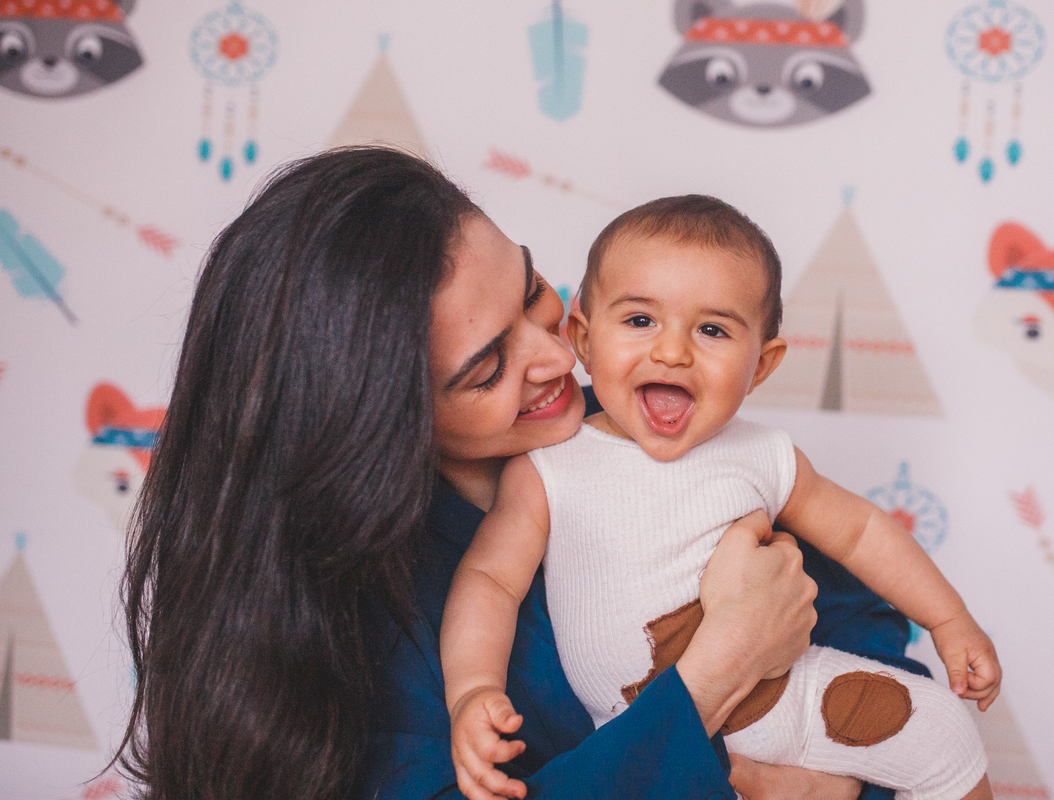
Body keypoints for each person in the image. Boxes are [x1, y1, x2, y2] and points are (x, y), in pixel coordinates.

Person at [118, 147, 927, 800]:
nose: (555, 356)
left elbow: (876, 640)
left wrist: (848, 779)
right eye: (485, 369)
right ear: (378, 420)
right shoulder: (353, 626)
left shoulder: (651, 426)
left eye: (534, 291)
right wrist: (715, 675)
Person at [441, 196, 1001, 800]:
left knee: (945, 732)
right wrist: (472, 691)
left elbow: (861, 533)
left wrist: (947, 618)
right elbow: (490, 581)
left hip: (789, 700)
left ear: (761, 365)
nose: (672, 352)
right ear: (585, 337)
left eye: (712, 330)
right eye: (640, 321)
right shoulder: (548, 470)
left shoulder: (761, 455)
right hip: (641, 742)